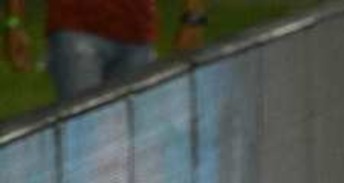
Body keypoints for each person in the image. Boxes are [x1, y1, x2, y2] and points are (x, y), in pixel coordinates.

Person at [4, 0, 207, 103]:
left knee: (131, 141)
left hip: (138, 34)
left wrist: (193, 18)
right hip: (77, 29)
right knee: (84, 134)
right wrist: (14, 22)